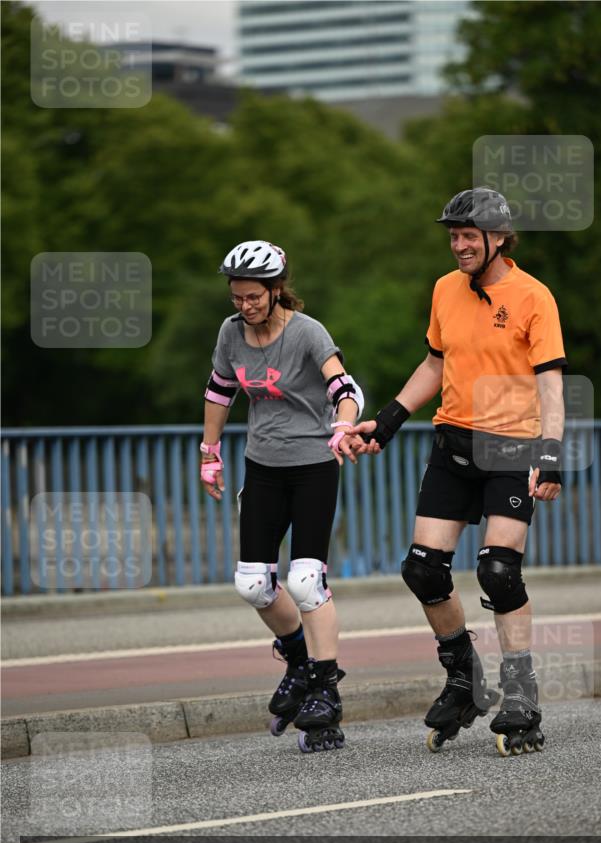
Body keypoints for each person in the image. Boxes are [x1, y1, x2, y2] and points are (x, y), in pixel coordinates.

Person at [351, 188, 566, 757]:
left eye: (470, 236)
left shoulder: (533, 296)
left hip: (512, 447)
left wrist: (551, 453)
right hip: (453, 442)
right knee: (422, 571)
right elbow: (434, 362)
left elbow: (550, 382)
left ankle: (521, 696)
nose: (460, 245)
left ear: (499, 239)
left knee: (497, 571)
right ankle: (465, 680)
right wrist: (389, 421)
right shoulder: (446, 289)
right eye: (453, 235)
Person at [200, 240, 363, 753]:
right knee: (253, 584)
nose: (244, 307)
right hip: (263, 468)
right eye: (237, 298)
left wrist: (343, 426)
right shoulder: (231, 334)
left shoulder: (308, 333)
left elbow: (347, 390)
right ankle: (297, 659)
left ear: (275, 291)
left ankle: (325, 688)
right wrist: (210, 453)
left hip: (314, 467)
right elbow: (219, 390)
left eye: (253, 297)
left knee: (305, 579)